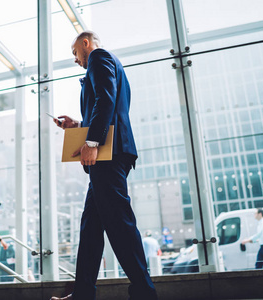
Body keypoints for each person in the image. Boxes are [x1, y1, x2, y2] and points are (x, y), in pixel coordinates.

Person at [51, 31, 157, 300]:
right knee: (90, 229)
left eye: (75, 52)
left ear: (85, 43)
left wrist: (92, 141)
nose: (76, 60)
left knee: (120, 223)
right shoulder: (106, 63)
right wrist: (77, 125)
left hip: (108, 154)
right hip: (109, 152)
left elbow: (106, 99)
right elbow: (106, 103)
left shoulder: (99, 56)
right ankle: (83, 294)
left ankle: (145, 292)